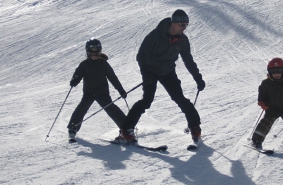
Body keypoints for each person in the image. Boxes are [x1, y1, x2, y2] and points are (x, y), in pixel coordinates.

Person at [115, 9, 205, 144]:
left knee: (180, 98)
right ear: (174, 23)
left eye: (186, 25)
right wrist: (146, 74)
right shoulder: (156, 35)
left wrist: (198, 77)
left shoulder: (182, 40)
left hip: (168, 72)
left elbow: (188, 60)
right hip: (150, 71)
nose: (184, 28)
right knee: (146, 101)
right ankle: (126, 130)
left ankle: (195, 127)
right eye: (182, 25)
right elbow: (141, 55)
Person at [67, 38, 128, 140]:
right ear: (88, 53)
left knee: (111, 109)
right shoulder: (84, 65)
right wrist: (75, 80)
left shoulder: (104, 64)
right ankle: (73, 128)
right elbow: (78, 74)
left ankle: (126, 128)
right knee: (82, 108)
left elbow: (113, 77)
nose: (95, 56)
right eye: (92, 54)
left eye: (97, 53)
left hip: (102, 93)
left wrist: (120, 90)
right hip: (89, 93)